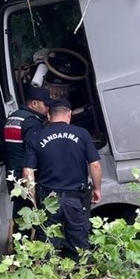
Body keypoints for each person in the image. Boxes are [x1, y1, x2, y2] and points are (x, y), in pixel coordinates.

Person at [22, 99, 103, 259]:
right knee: (80, 243)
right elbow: (95, 165)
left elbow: (27, 171)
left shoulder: (36, 137)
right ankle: (81, 278)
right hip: (76, 198)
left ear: (48, 115)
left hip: (49, 199)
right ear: (69, 115)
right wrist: (97, 188)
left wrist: (33, 200)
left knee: (48, 243)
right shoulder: (82, 134)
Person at [3, 86, 50, 236]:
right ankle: (30, 251)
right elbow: (35, 150)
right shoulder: (32, 121)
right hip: (27, 175)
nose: (48, 108)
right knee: (32, 214)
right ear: (34, 104)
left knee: (20, 213)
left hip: (13, 173)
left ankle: (19, 248)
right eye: (46, 104)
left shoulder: (13, 117)